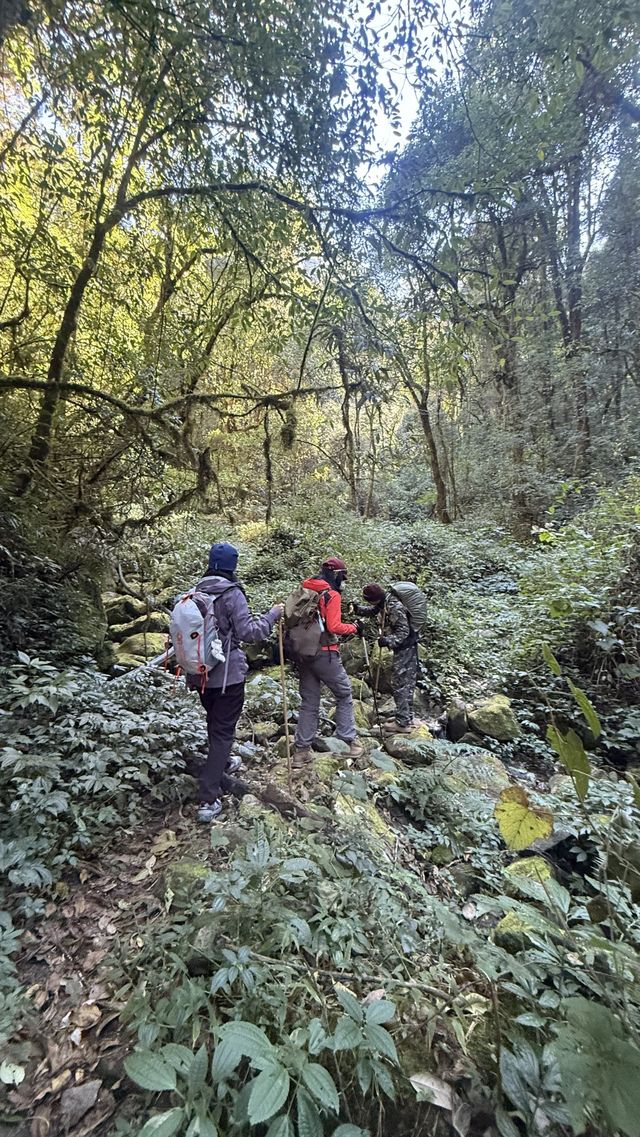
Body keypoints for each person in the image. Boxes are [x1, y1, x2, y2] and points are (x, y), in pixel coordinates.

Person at [186, 541, 283, 822]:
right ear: (233, 565)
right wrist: (273, 615)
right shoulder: (232, 593)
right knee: (223, 731)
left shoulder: (195, 592)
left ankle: (224, 761)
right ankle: (208, 798)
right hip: (228, 677)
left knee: (215, 723)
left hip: (200, 675)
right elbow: (250, 633)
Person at [292, 556, 364, 767]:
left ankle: (301, 751)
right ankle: (348, 742)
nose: (344, 580)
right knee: (344, 693)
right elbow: (334, 626)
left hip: (304, 653)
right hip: (325, 653)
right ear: (336, 575)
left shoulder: (305, 589)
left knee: (309, 701)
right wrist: (354, 628)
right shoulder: (330, 595)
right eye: (343, 576)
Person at [355, 583, 418, 735]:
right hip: (407, 646)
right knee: (407, 682)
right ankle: (407, 717)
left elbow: (403, 631)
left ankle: (403, 723)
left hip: (406, 648)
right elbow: (374, 611)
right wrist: (358, 610)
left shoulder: (394, 607)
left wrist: (388, 640)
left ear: (374, 599)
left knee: (400, 684)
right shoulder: (384, 602)